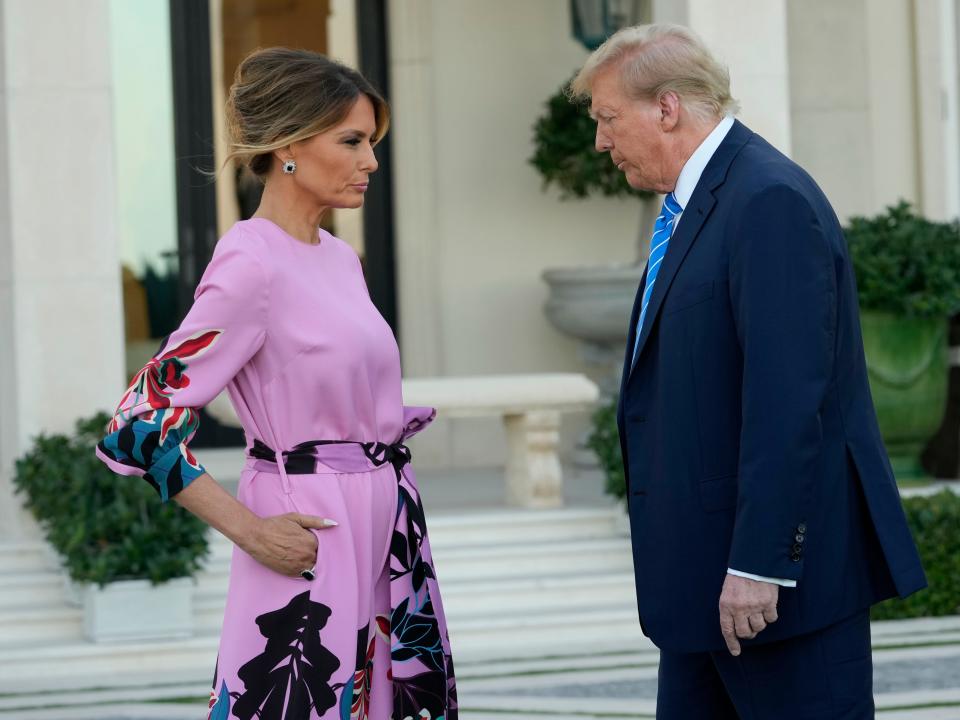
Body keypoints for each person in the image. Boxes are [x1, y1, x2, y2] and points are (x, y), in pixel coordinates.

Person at [570, 24, 926, 718]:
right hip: (702, 590)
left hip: (774, 596)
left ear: (666, 108)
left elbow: (789, 400)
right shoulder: (701, 204)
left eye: (608, 120)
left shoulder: (768, 201)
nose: (600, 143)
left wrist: (760, 564)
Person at [95, 47, 457, 720]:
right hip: (308, 528)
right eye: (352, 141)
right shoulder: (250, 261)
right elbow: (140, 421)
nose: (371, 161)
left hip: (383, 522)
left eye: (371, 143)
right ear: (288, 145)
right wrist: (250, 531)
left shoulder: (340, 259)